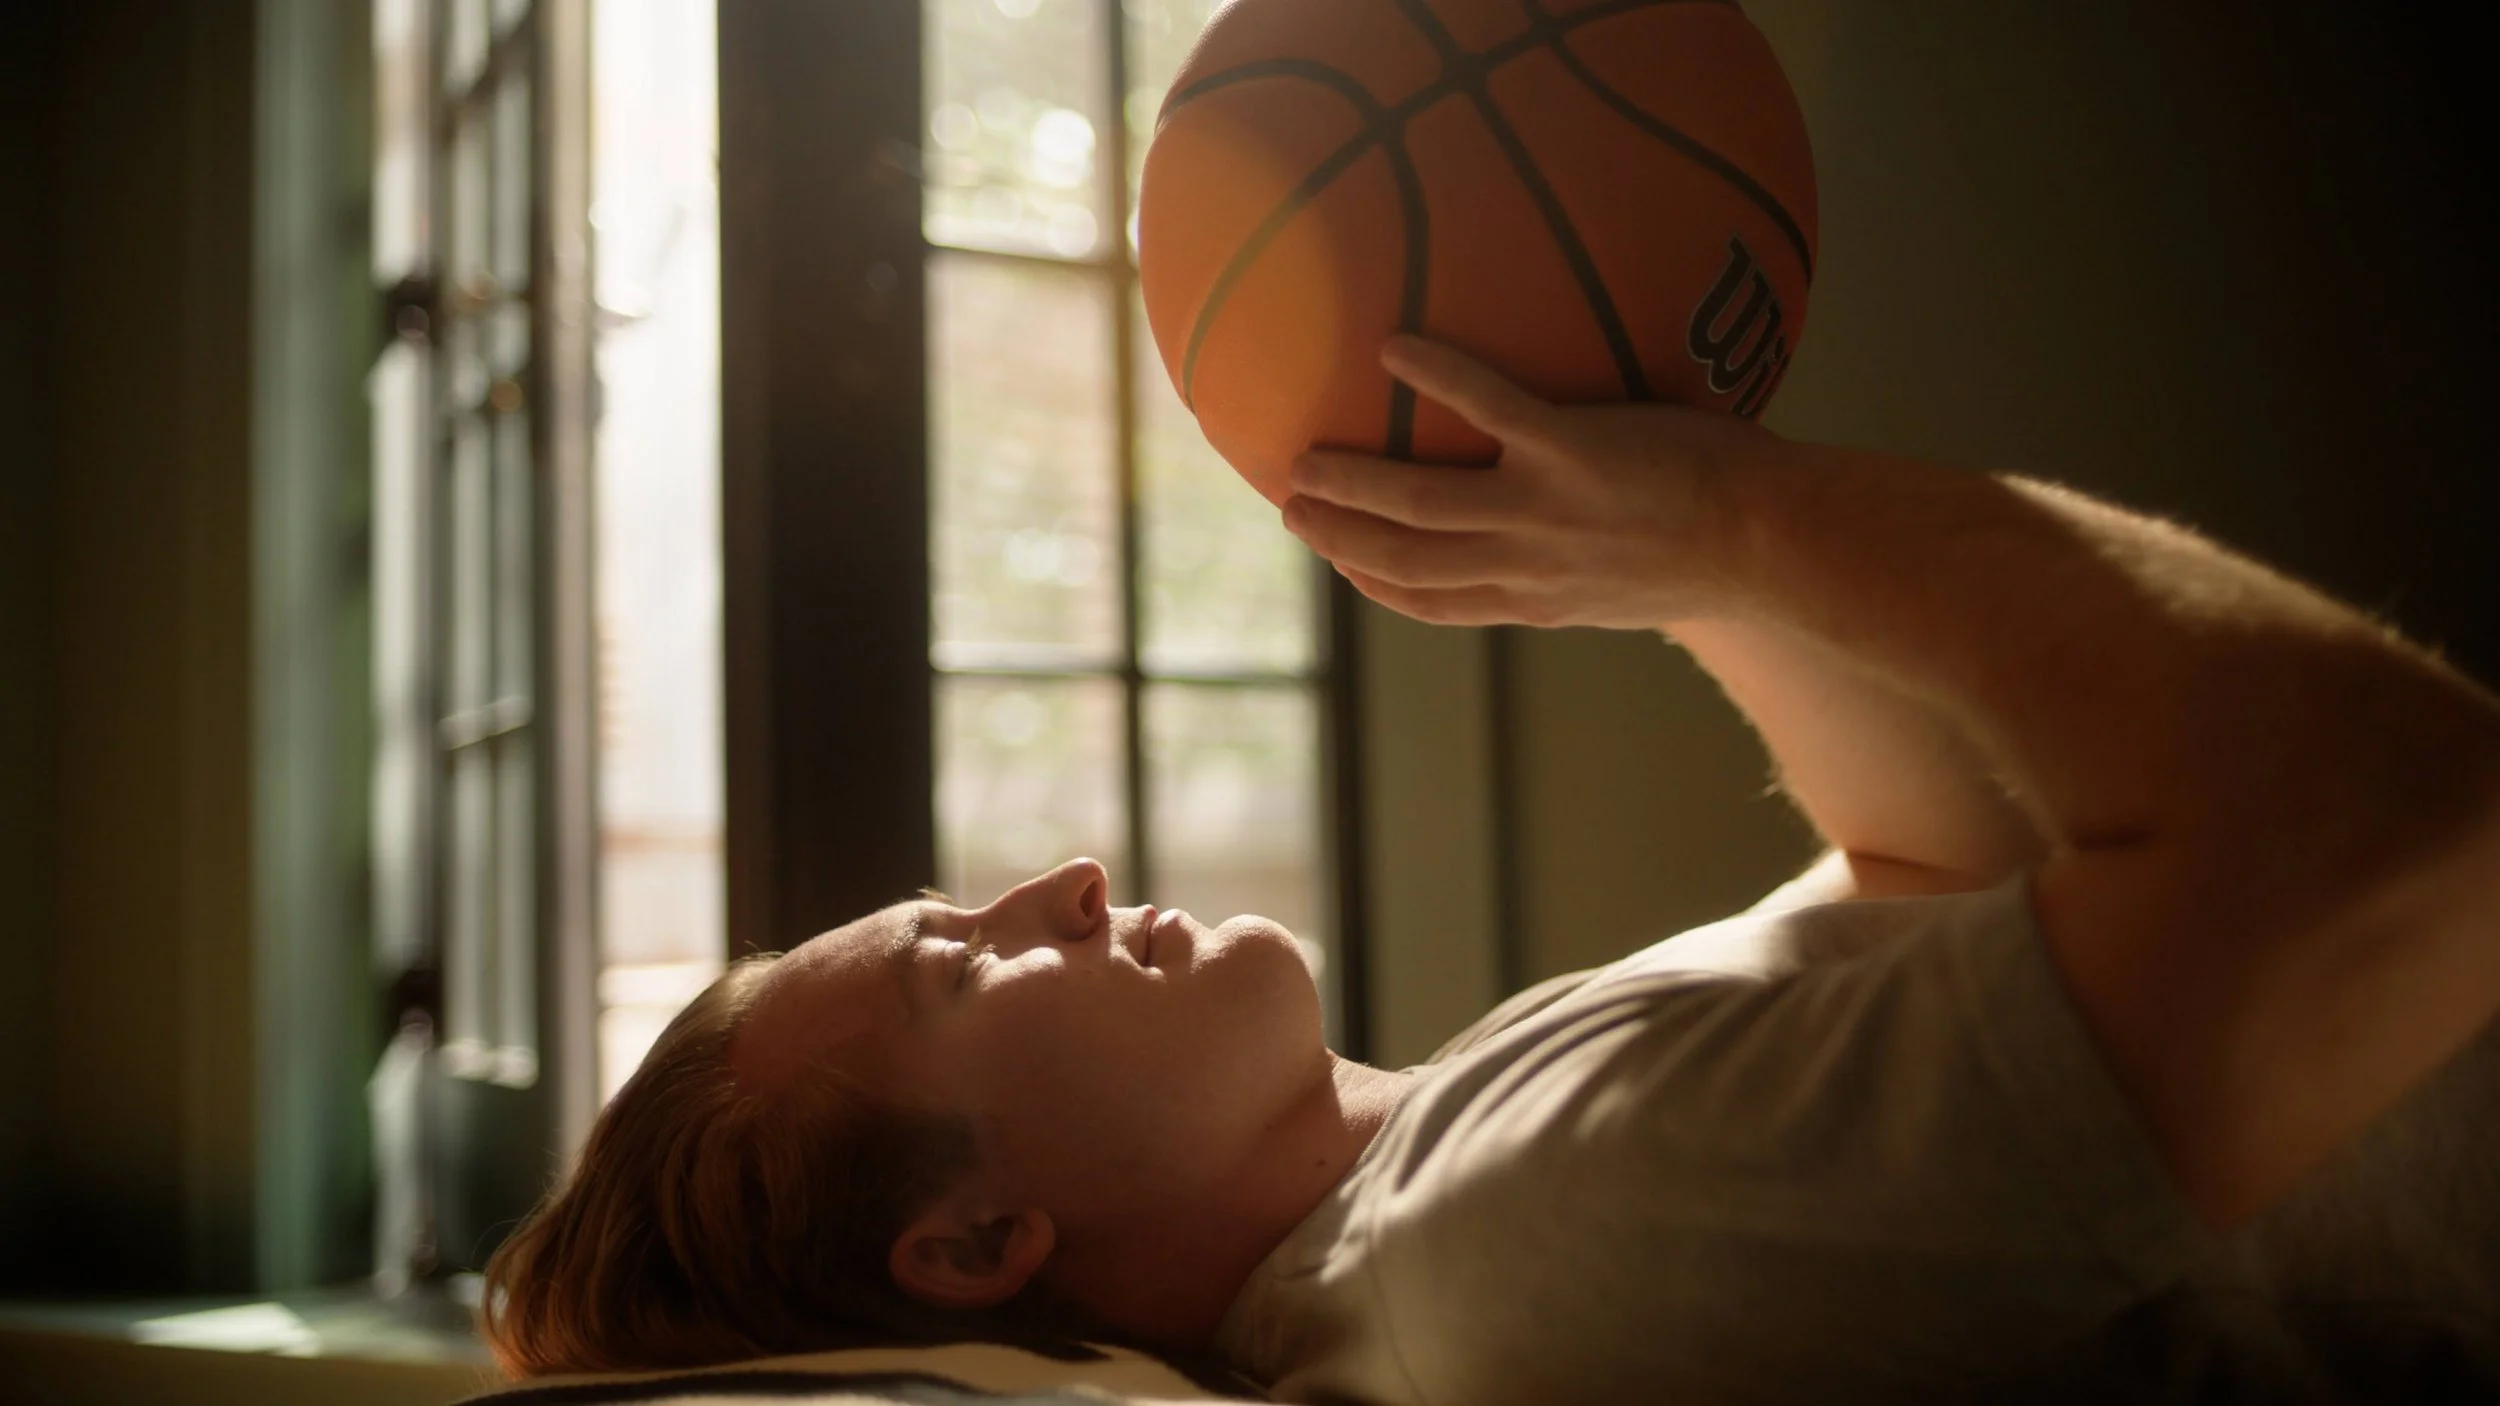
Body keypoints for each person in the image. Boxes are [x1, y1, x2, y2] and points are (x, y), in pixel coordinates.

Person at [482, 337, 2500, 1402]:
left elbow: (1924, 869)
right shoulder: (1525, 1234)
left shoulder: (1448, 1158)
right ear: (973, 1243)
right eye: (966, 964)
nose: (1067, 883)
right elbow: (2398, 835)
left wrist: (1686, 556)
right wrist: (1752, 509)